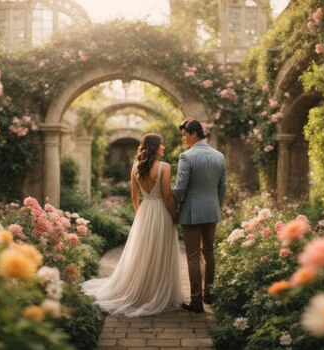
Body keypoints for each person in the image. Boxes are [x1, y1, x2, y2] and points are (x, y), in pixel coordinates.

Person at [81, 133, 183, 317]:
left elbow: (134, 197)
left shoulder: (136, 167)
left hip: (144, 212)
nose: (164, 147)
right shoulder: (165, 167)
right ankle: (156, 292)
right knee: (160, 251)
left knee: (143, 253)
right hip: (161, 211)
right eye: (162, 144)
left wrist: (140, 215)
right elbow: (168, 197)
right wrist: (175, 215)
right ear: (154, 146)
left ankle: (142, 290)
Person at [173, 119, 227, 313]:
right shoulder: (219, 156)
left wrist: (173, 206)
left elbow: (180, 188)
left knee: (193, 256)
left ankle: (196, 301)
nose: (183, 138)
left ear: (194, 134)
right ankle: (209, 294)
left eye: (184, 135)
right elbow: (222, 186)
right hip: (211, 210)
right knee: (209, 252)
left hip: (191, 211)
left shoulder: (186, 157)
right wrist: (216, 207)